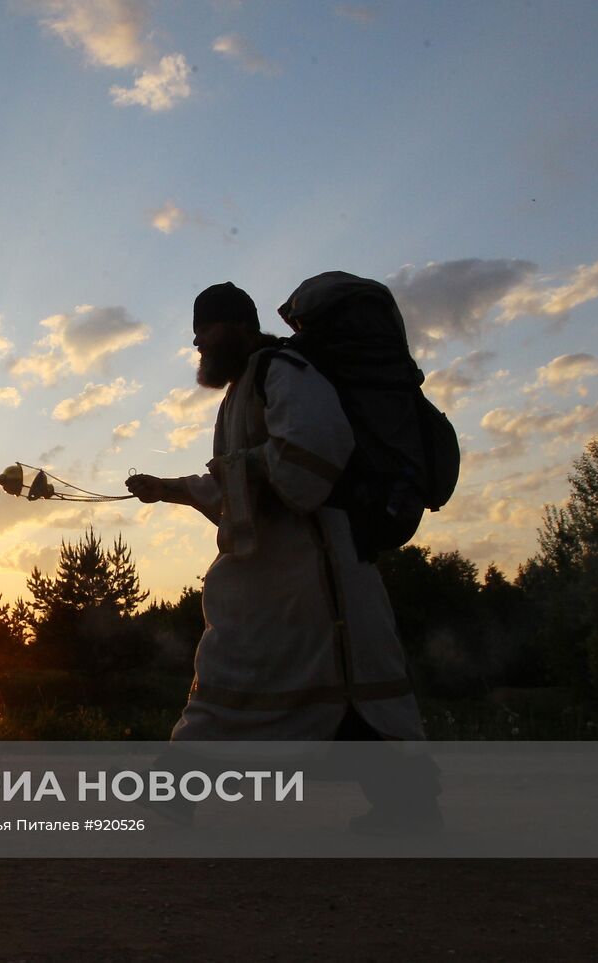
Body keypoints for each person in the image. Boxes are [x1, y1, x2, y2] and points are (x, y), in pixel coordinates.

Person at [127, 281, 439, 832]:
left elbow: (312, 454)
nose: (198, 341)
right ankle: (407, 804)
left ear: (241, 326)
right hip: (272, 578)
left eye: (207, 327)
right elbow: (236, 480)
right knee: (321, 686)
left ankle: (171, 791)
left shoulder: (283, 371)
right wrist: (167, 488)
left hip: (317, 575)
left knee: (330, 684)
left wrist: (235, 472)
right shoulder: (243, 388)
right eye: (196, 330)